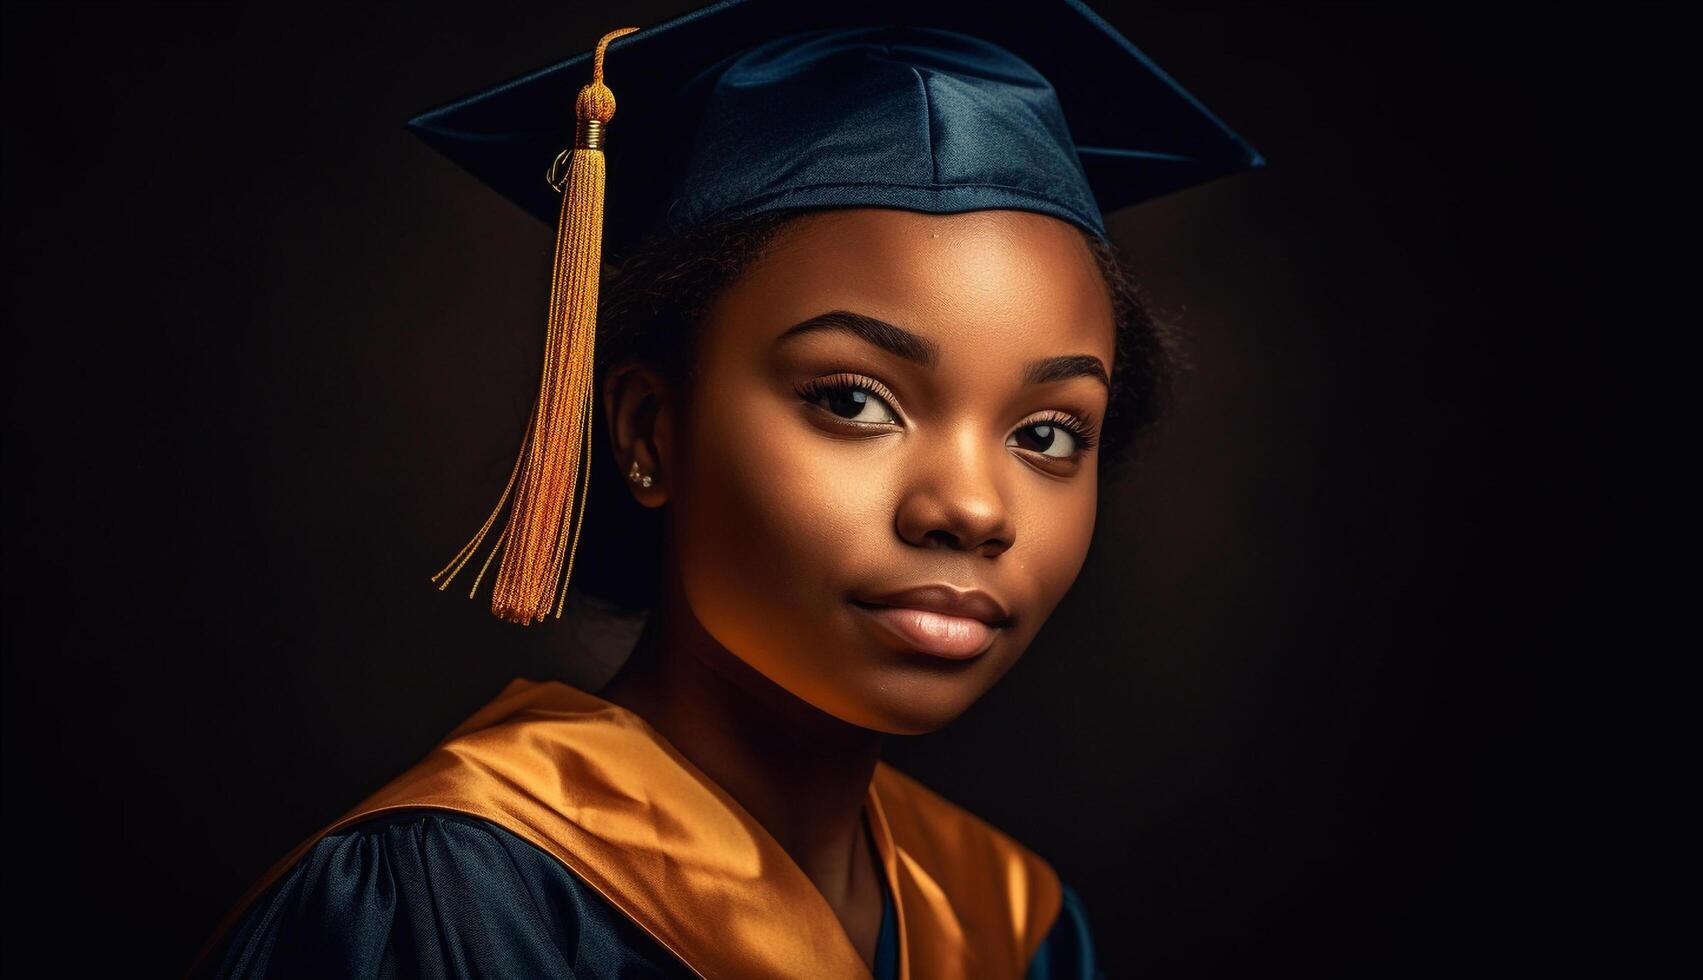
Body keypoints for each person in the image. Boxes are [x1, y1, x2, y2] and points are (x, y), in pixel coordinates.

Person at [187, 1, 1262, 976]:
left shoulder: (1011, 923)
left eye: (1044, 430)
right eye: (851, 400)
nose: (972, 507)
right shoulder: (443, 907)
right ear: (650, 430)